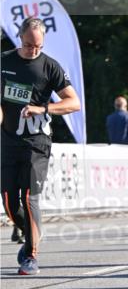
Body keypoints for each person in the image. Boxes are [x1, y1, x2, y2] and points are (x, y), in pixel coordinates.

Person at [1, 16, 81, 275]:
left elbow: (73, 102)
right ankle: (32, 230)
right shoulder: (4, 62)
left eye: (38, 47)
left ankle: (30, 255)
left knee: (29, 196)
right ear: (19, 38)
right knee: (9, 202)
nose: (33, 51)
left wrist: (43, 108)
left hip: (37, 142)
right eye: (28, 46)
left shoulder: (49, 67)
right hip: (8, 140)